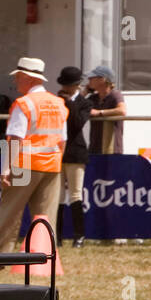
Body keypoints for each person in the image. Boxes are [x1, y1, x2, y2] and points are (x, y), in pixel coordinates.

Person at [0, 56, 67, 258]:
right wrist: (57, 161)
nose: (15, 82)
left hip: (24, 165)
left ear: (27, 77)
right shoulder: (59, 103)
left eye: (18, 77)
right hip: (52, 166)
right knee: (45, 217)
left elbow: (15, 138)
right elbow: (62, 140)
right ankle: (44, 260)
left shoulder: (24, 104)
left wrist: (6, 168)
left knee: (10, 214)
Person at [55, 65, 92, 247]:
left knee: (76, 194)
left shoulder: (85, 103)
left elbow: (77, 123)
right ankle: (57, 237)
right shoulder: (56, 100)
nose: (66, 88)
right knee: (59, 195)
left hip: (76, 152)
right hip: (58, 151)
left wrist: (69, 102)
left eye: (69, 85)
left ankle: (79, 236)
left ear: (77, 85)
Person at [86, 65, 126, 155]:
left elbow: (122, 110)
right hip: (94, 147)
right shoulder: (93, 98)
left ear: (102, 79)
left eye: (92, 78)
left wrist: (100, 113)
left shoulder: (115, 95)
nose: (89, 80)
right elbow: (76, 108)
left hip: (113, 148)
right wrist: (85, 91)